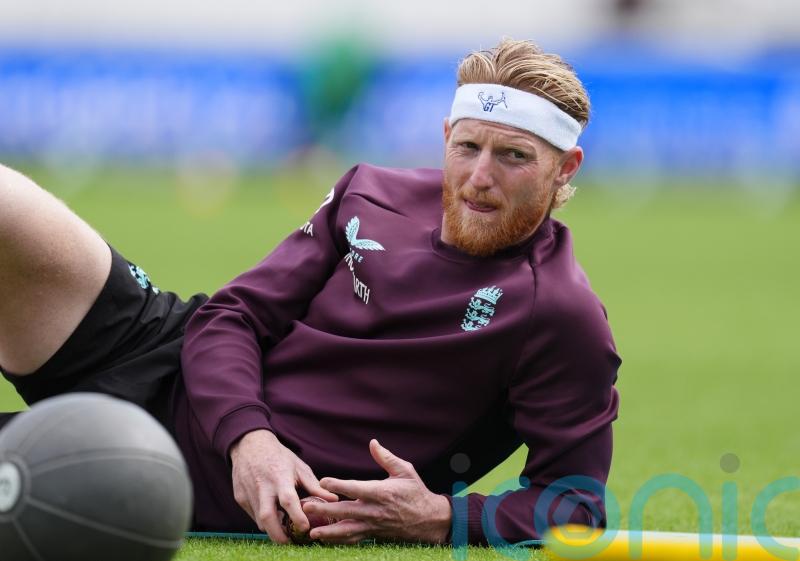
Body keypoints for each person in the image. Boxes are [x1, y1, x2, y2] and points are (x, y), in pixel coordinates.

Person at [0, 38, 620, 546]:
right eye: (467, 147)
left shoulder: (561, 315)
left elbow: (574, 503)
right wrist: (250, 438)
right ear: (446, 135)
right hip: (168, 352)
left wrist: (439, 517)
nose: (479, 179)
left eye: (513, 156)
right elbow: (232, 315)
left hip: (179, 474)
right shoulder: (370, 189)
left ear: (566, 168)